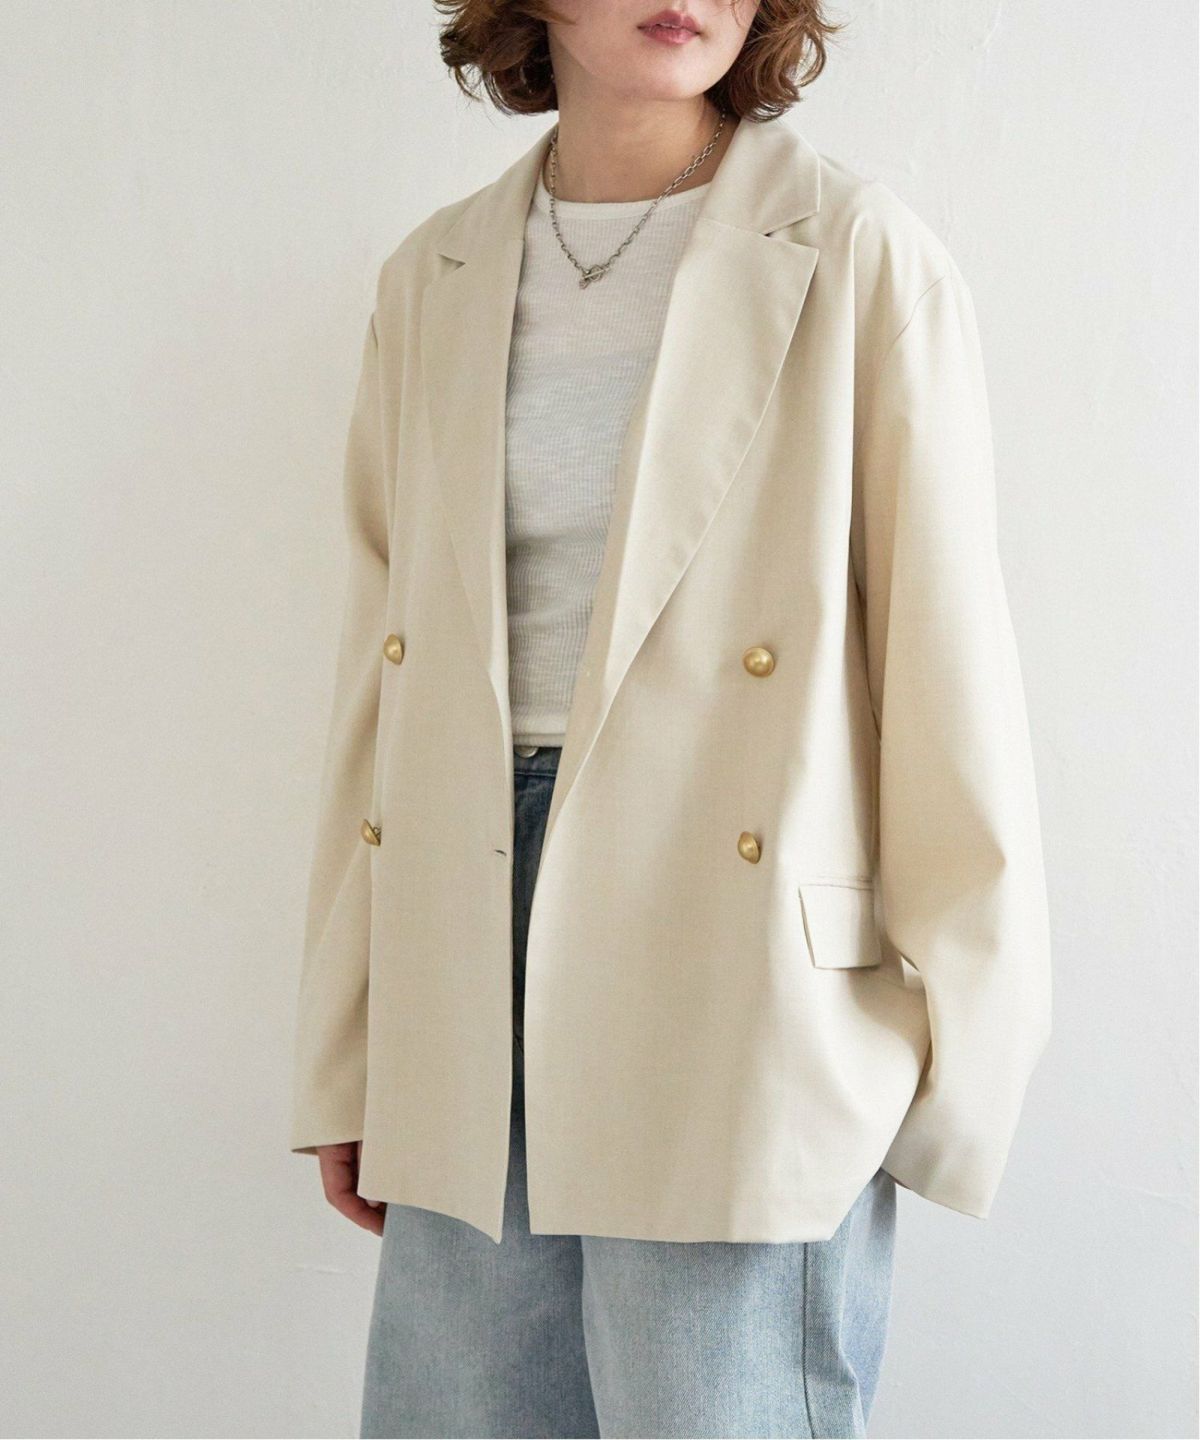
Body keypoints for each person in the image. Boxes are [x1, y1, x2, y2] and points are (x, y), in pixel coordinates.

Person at [290, 2, 1054, 1436]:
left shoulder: (856, 252)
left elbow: (947, 664)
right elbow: (379, 677)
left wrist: (962, 1053)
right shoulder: (435, 274)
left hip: (735, 956)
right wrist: (347, 1042)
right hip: (464, 926)